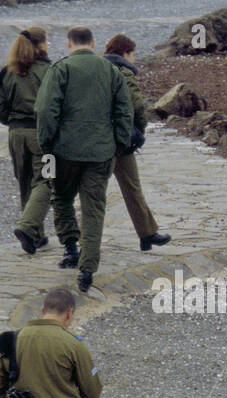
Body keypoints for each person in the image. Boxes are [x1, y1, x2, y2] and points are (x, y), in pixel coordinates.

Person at [35, 26, 133, 293]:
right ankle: (88, 266)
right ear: (92, 42)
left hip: (64, 149)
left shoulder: (60, 69)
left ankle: (69, 248)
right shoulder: (110, 71)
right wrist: (120, 143)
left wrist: (47, 142)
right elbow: (125, 109)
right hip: (101, 151)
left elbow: (45, 110)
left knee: (62, 197)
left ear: (69, 44)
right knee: (94, 208)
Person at [102, 34, 169, 252]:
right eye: (133, 54)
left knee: (94, 192)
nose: (134, 59)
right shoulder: (124, 72)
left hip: (100, 139)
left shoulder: (97, 69)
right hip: (121, 141)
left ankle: (147, 234)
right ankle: (147, 234)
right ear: (125, 53)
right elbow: (137, 105)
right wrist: (139, 131)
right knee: (132, 188)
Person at [2, 27, 60, 254]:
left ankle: (35, 235)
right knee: (47, 181)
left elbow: (2, 109)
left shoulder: (7, 72)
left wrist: (13, 121)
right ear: (41, 44)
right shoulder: (48, 70)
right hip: (42, 136)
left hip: (16, 135)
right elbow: (56, 106)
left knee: (25, 182)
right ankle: (27, 228)